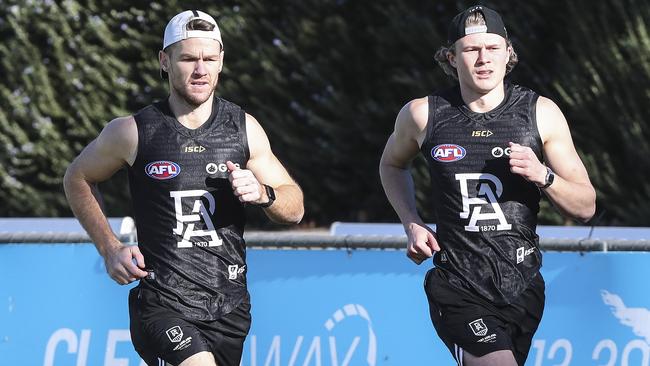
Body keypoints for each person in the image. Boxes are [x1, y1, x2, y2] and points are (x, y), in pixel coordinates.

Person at [64, 9, 304, 366]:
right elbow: (78, 177)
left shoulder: (244, 128)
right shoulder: (132, 131)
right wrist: (110, 248)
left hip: (230, 306)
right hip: (163, 304)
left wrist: (264, 194)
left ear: (221, 62)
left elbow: (295, 207)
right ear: (165, 61)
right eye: (188, 58)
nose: (200, 70)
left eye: (209, 59)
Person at [379, 5, 595, 366]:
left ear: (508, 53)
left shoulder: (540, 113)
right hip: (458, 283)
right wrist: (411, 222)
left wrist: (543, 175)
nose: (484, 59)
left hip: (522, 284)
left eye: (493, 48)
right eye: (472, 49)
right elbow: (391, 163)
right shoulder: (423, 114)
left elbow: (586, 205)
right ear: (451, 57)